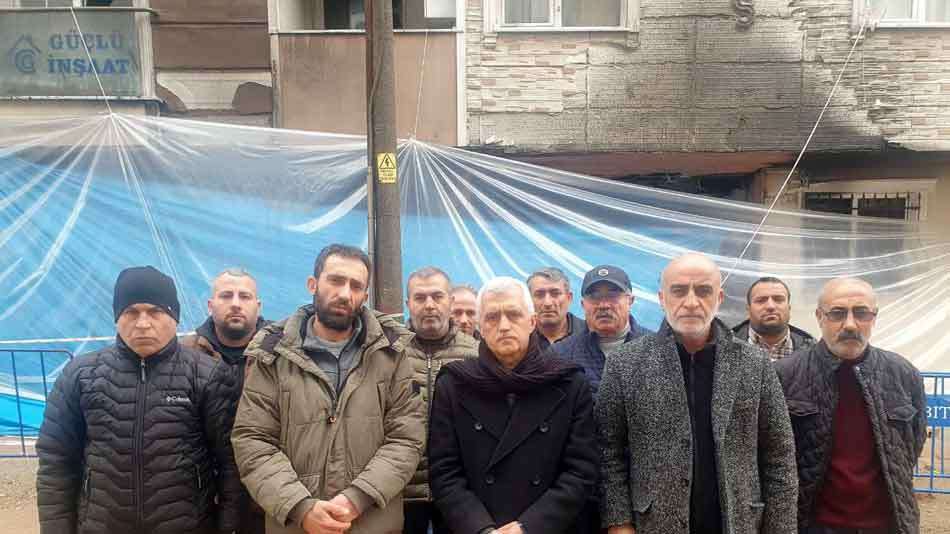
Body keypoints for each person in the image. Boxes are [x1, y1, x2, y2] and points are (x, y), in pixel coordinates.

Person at [231, 244, 424, 534]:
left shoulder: (392, 354)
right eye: (335, 280)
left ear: (365, 296)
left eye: (356, 286)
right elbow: (253, 441)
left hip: (371, 524)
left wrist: (356, 499)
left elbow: (407, 439)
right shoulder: (272, 355)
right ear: (313, 284)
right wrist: (301, 507)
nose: (345, 293)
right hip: (296, 527)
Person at [597, 253, 797, 534]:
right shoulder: (625, 363)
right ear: (662, 298)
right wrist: (619, 522)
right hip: (654, 524)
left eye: (703, 291)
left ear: (719, 297)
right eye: (679, 291)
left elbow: (779, 455)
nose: (691, 302)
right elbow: (608, 450)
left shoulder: (754, 363)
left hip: (739, 522)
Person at [36, 266, 241, 534]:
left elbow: (230, 464)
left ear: (174, 317)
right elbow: (56, 460)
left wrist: (228, 526)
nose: (143, 323)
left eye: (155, 312)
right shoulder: (82, 375)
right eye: (131, 312)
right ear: (117, 318)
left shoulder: (207, 375)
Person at [429, 277, 598, 534]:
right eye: (492, 317)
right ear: (480, 327)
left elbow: (581, 470)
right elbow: (444, 472)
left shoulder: (569, 383)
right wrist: (481, 528)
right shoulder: (453, 385)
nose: (504, 326)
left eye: (513, 314)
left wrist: (528, 527)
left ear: (532, 322)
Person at [775, 278, 927, 534]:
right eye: (837, 313)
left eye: (861, 313)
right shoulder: (784, 376)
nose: (849, 324)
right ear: (819, 317)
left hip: (888, 526)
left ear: (874, 317)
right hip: (812, 527)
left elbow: (913, 443)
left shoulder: (904, 374)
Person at [181, 267, 268, 534]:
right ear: (210, 305)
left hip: (266, 498)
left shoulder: (282, 351)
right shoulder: (184, 354)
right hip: (206, 500)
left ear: (258, 306)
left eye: (245, 296)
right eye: (226, 295)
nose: (236, 304)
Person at [402, 267, 478, 534]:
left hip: (459, 490)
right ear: (408, 303)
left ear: (450, 301)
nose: (429, 305)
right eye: (420, 298)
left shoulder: (477, 355)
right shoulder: (390, 353)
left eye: (437, 296)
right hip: (404, 491)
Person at [553, 265, 650, 398]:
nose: (604, 305)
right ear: (583, 305)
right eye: (594, 297)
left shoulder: (656, 349)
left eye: (613, 295)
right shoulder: (561, 354)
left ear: (630, 301)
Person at [732, 276, 814, 360]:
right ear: (748, 310)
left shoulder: (812, 352)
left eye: (778, 300)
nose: (770, 306)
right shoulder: (727, 346)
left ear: (789, 308)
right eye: (761, 300)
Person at [526, 267, 585, 350]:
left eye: (555, 294)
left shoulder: (589, 333)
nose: (548, 303)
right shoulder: (520, 335)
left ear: (569, 298)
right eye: (539, 295)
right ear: (528, 299)